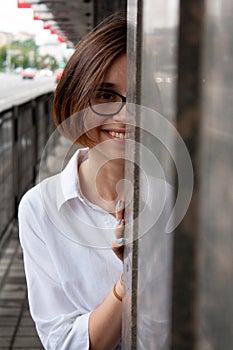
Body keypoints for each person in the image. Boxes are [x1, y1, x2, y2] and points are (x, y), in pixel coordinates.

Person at [18, 13, 128, 350]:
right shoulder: (41, 208)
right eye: (106, 96)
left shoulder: (190, 194)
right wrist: (131, 279)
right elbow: (63, 341)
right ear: (77, 99)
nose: (126, 115)